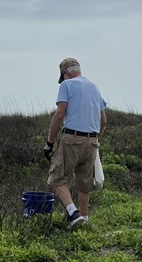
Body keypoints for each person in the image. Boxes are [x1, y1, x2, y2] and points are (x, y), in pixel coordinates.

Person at [43, 58, 107, 229]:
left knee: (56, 175)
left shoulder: (67, 85)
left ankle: (73, 213)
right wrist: (95, 139)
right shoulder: (94, 87)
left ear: (65, 73)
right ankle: (85, 220)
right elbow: (104, 121)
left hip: (72, 138)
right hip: (93, 141)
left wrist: (49, 143)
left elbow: (59, 115)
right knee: (84, 181)